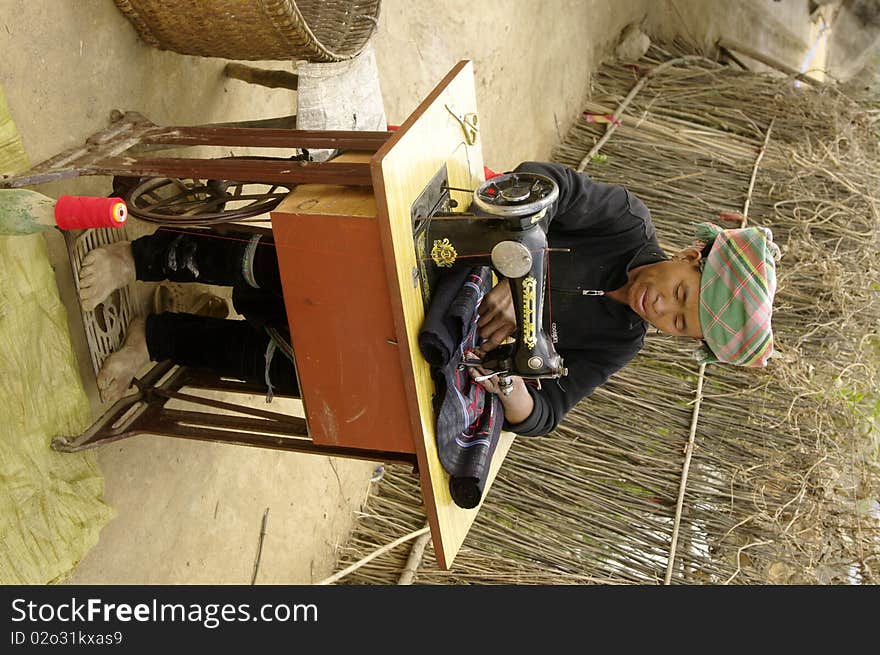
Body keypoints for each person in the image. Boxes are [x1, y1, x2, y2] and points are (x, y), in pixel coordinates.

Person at [81, 161, 780, 439]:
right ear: (692, 254)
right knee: (284, 267)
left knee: (304, 370)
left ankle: (158, 336)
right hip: (431, 253)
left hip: (439, 338)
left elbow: (548, 415)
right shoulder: (625, 219)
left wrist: (512, 389)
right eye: (683, 294)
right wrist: (515, 269)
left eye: (683, 324)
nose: (666, 311)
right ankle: (133, 256)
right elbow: (544, 182)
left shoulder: (621, 341)